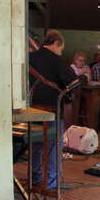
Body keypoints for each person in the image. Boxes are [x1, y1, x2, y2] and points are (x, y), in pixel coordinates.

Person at [28, 30, 78, 189]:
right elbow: (72, 82)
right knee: (53, 147)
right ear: (56, 43)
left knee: (35, 144)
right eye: (61, 48)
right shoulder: (58, 61)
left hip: (30, 110)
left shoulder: (30, 57)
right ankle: (50, 183)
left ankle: (34, 178)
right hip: (51, 109)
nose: (60, 51)